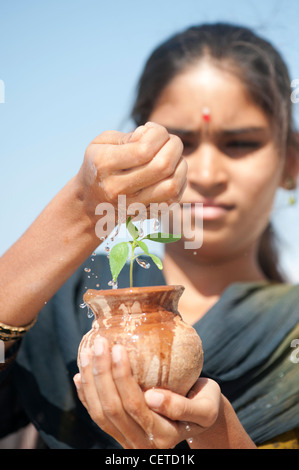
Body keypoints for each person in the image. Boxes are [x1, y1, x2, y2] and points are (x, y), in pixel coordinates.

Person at [0, 23, 298, 449]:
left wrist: (218, 437)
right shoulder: (58, 305)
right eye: (182, 144)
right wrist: (82, 213)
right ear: (136, 152)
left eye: (240, 143)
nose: (209, 175)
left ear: (291, 162)